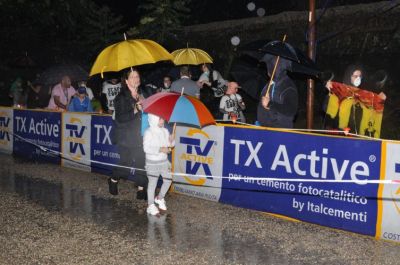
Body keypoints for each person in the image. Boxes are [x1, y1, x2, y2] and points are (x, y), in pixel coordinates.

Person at [109, 68, 147, 200]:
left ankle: (142, 189)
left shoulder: (142, 94)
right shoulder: (121, 98)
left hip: (140, 135)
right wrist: (136, 109)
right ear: (126, 81)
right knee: (125, 164)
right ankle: (113, 179)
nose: (136, 79)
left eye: (137, 76)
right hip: (126, 136)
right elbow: (120, 119)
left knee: (141, 162)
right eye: (132, 77)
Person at [143, 113, 175, 216]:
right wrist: (160, 149)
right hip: (152, 162)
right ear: (154, 119)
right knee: (152, 184)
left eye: (163, 119)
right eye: (160, 119)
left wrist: (171, 140)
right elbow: (146, 148)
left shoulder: (165, 131)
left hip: (164, 161)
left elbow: (169, 146)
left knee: (168, 180)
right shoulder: (148, 132)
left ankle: (160, 198)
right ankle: (150, 205)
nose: (162, 121)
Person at [257, 54, 298, 128]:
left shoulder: (288, 86)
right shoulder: (269, 84)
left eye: (269, 66)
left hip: (280, 131)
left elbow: (291, 110)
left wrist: (269, 104)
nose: (267, 70)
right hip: (265, 129)